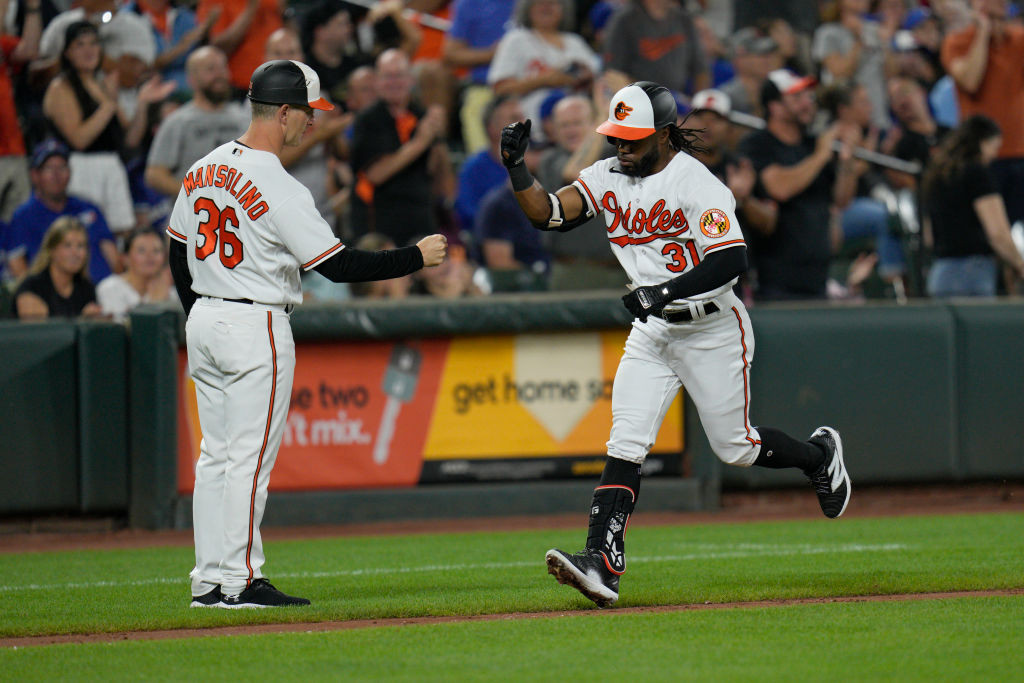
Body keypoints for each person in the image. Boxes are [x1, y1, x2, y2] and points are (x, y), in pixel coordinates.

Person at [498, 81, 851, 608]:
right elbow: (548, 213)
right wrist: (517, 168)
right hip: (654, 330)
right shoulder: (608, 173)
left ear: (663, 135)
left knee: (735, 447)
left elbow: (731, 260)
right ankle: (602, 563)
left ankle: (818, 455)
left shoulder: (697, 183)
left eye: (632, 140)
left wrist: (661, 290)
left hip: (711, 327)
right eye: (616, 138)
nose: (621, 148)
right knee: (626, 441)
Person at [167, 59, 447, 608]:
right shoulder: (277, 183)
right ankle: (242, 580)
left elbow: (178, 250)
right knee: (247, 458)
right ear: (286, 111)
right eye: (309, 113)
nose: (313, 124)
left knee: (216, 457)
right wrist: (414, 256)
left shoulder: (204, 167)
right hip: (255, 322)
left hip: (205, 317)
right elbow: (338, 266)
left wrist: (199, 312)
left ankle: (210, 580)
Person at [737, 69, 861, 301]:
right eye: (796, 98)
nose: (807, 103)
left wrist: (846, 161)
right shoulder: (758, 144)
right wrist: (822, 155)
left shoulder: (812, 144)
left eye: (809, 97)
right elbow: (779, 188)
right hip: (776, 279)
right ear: (774, 106)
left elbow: (842, 199)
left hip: (818, 275)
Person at [42, 20, 163, 234]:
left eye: (93, 43)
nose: (89, 50)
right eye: (80, 44)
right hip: (80, 168)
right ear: (67, 52)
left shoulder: (102, 84)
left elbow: (129, 139)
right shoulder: (61, 86)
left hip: (113, 165)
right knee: (85, 233)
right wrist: (109, 103)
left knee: (122, 231)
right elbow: (79, 139)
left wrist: (142, 104)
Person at [349, 48, 454, 245]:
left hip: (421, 219)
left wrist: (438, 138)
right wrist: (420, 142)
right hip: (380, 225)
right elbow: (375, 174)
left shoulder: (422, 116)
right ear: (377, 81)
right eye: (387, 76)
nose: (394, 82)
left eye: (399, 76)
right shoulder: (368, 119)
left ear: (411, 80)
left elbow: (434, 172)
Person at [941, 0, 1024, 228]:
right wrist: (983, 34)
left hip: (1019, 152)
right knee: (988, 236)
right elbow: (970, 80)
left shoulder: (1018, 39)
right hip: (982, 158)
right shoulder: (957, 42)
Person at [921, 114, 1024, 297]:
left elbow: (929, 238)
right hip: (973, 274)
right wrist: (1019, 264)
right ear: (983, 143)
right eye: (994, 148)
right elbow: (997, 233)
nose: (994, 155)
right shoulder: (978, 174)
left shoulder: (935, 177)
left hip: (940, 275)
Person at [6, 138, 120, 284]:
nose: (56, 174)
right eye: (48, 168)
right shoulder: (23, 216)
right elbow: (17, 265)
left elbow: (113, 257)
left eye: (62, 167)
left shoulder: (88, 208)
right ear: (35, 175)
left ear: (70, 172)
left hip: (103, 290)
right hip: (56, 298)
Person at [487, 0, 600, 144]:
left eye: (553, 3)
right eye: (539, 3)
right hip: (532, 131)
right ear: (528, 8)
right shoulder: (517, 40)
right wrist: (545, 80)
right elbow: (500, 89)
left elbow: (598, 82)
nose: (546, 7)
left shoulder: (575, 42)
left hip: (578, 129)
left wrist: (585, 79)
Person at [144, 46, 249, 199]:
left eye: (223, 67)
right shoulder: (178, 121)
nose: (219, 74)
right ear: (191, 79)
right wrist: (194, 194)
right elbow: (154, 174)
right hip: (195, 216)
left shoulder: (244, 119)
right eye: (210, 69)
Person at [600, 0, 710, 97]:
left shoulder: (683, 19)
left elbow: (701, 69)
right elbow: (612, 74)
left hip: (678, 101)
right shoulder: (624, 21)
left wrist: (697, 106)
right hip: (638, 102)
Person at [13, 215, 101, 319]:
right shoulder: (32, 287)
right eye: (67, 245)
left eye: (80, 246)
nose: (75, 253)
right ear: (51, 250)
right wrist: (82, 321)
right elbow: (35, 332)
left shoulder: (87, 288)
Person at [96, 227, 175, 321]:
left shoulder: (171, 293)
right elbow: (124, 331)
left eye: (156, 250)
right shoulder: (110, 288)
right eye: (141, 250)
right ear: (125, 258)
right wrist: (156, 302)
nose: (150, 256)